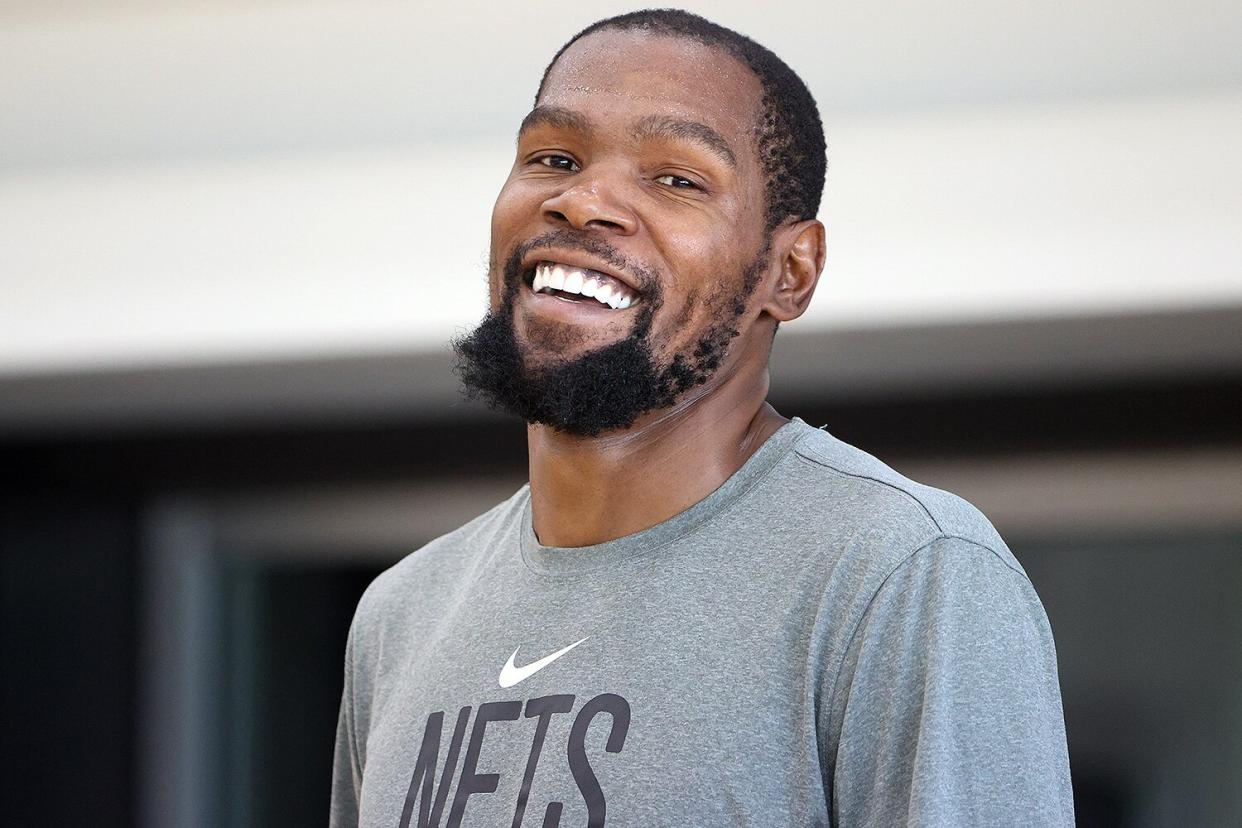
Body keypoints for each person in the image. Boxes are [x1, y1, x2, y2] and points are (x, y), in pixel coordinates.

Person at [331, 9, 1074, 827]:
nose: (583, 202)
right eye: (554, 158)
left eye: (676, 179)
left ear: (789, 273)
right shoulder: (401, 615)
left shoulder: (901, 574)